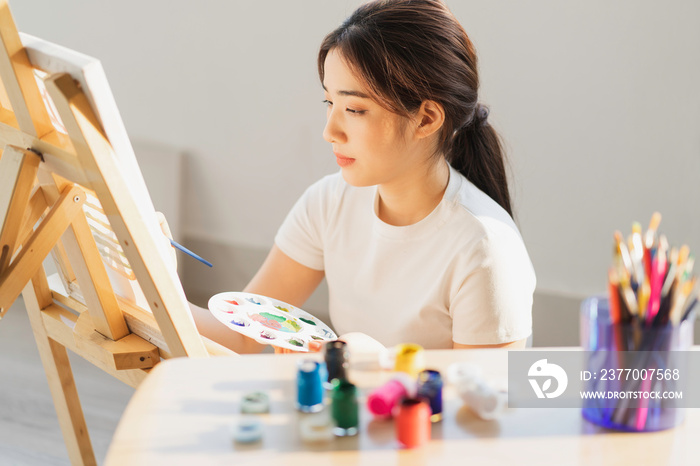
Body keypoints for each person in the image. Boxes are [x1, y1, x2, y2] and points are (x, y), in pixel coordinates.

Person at [191, 0, 536, 354]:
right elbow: (239, 336)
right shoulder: (328, 203)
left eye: (354, 109)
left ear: (427, 119)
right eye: (330, 103)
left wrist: (375, 365)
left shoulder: (484, 249)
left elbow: (486, 401)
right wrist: (146, 274)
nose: (330, 131)